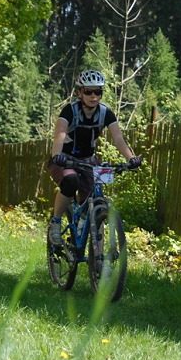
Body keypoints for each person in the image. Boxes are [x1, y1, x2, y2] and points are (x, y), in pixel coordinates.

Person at [47, 70, 141, 246]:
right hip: (65, 159)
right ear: (79, 93)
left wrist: (131, 159)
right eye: (88, 91)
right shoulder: (69, 111)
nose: (93, 96)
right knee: (71, 181)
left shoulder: (106, 113)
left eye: (98, 92)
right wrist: (57, 156)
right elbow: (59, 134)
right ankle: (56, 222)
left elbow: (118, 138)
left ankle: (85, 227)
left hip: (89, 160)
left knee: (97, 191)